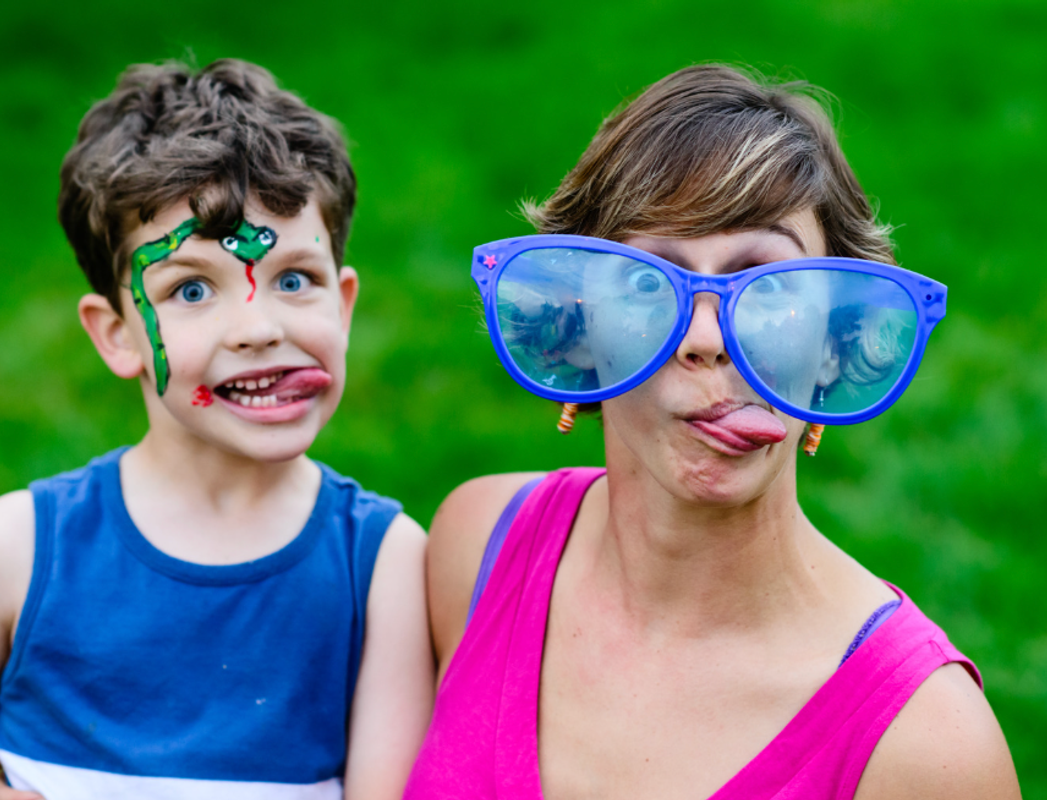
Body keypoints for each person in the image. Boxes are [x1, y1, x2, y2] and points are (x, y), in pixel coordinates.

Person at [405, 65, 1020, 799]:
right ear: (579, 327)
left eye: (769, 282)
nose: (707, 336)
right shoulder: (480, 546)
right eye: (648, 280)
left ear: (835, 339)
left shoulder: (930, 746)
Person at [0, 59, 433, 800]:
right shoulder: (13, 552)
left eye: (296, 280)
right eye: (192, 289)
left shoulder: (385, 569)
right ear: (117, 335)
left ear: (345, 303)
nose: (259, 328)